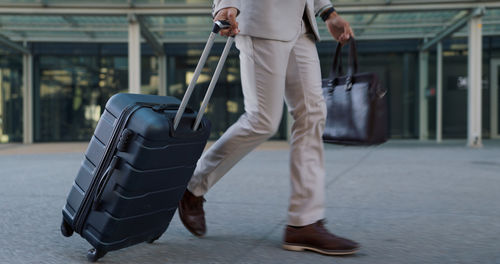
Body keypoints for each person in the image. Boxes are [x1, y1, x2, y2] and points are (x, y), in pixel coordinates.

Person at [178, 0, 359, 256]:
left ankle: (304, 222)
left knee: (313, 114)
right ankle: (193, 186)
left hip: (301, 25)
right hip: (262, 19)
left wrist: (327, 12)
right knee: (262, 120)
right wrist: (225, 3)